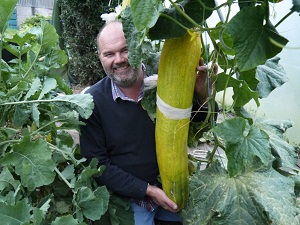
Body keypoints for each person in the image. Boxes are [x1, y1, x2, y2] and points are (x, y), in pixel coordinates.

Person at [79, 21, 217, 225]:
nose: (119, 60)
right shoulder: (91, 102)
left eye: (125, 50)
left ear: (139, 46)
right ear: (100, 57)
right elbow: (98, 165)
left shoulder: (166, 78)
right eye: (109, 54)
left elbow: (202, 128)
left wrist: (204, 96)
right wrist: (149, 191)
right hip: (130, 199)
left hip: (173, 189)